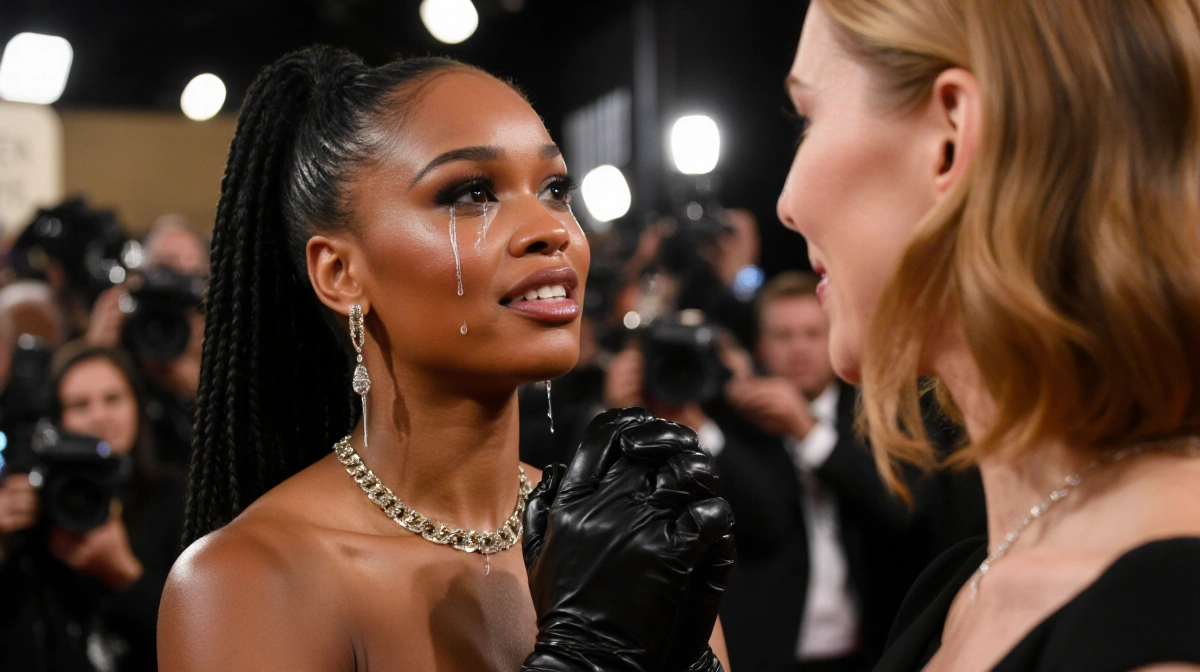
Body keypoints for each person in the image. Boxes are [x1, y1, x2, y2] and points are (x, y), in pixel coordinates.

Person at [158, 47, 733, 671]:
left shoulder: (617, 537)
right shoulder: (247, 579)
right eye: (472, 193)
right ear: (341, 272)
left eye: (555, 189)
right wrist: (589, 655)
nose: (551, 229)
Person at [777, 2, 1200, 671]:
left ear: (950, 135)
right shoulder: (960, 586)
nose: (787, 204)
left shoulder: (1158, 628)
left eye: (808, 118)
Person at [0, 343, 184, 671]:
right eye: (80, 405)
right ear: (58, 418)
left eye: (113, 399)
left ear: (137, 405)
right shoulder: (32, 504)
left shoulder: (178, 497)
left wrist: (124, 574)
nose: (99, 417)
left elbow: (199, 641)